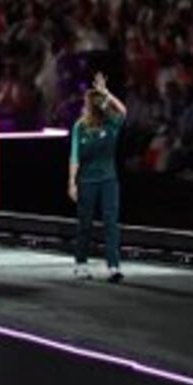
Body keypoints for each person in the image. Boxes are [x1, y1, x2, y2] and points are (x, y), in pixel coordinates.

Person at [68, 72, 128, 282]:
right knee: (85, 223)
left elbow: (123, 111)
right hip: (86, 182)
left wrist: (107, 93)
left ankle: (113, 266)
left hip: (109, 180)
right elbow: (74, 156)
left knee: (111, 223)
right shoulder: (80, 127)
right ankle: (81, 263)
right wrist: (72, 183)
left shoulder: (110, 124)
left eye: (99, 102)